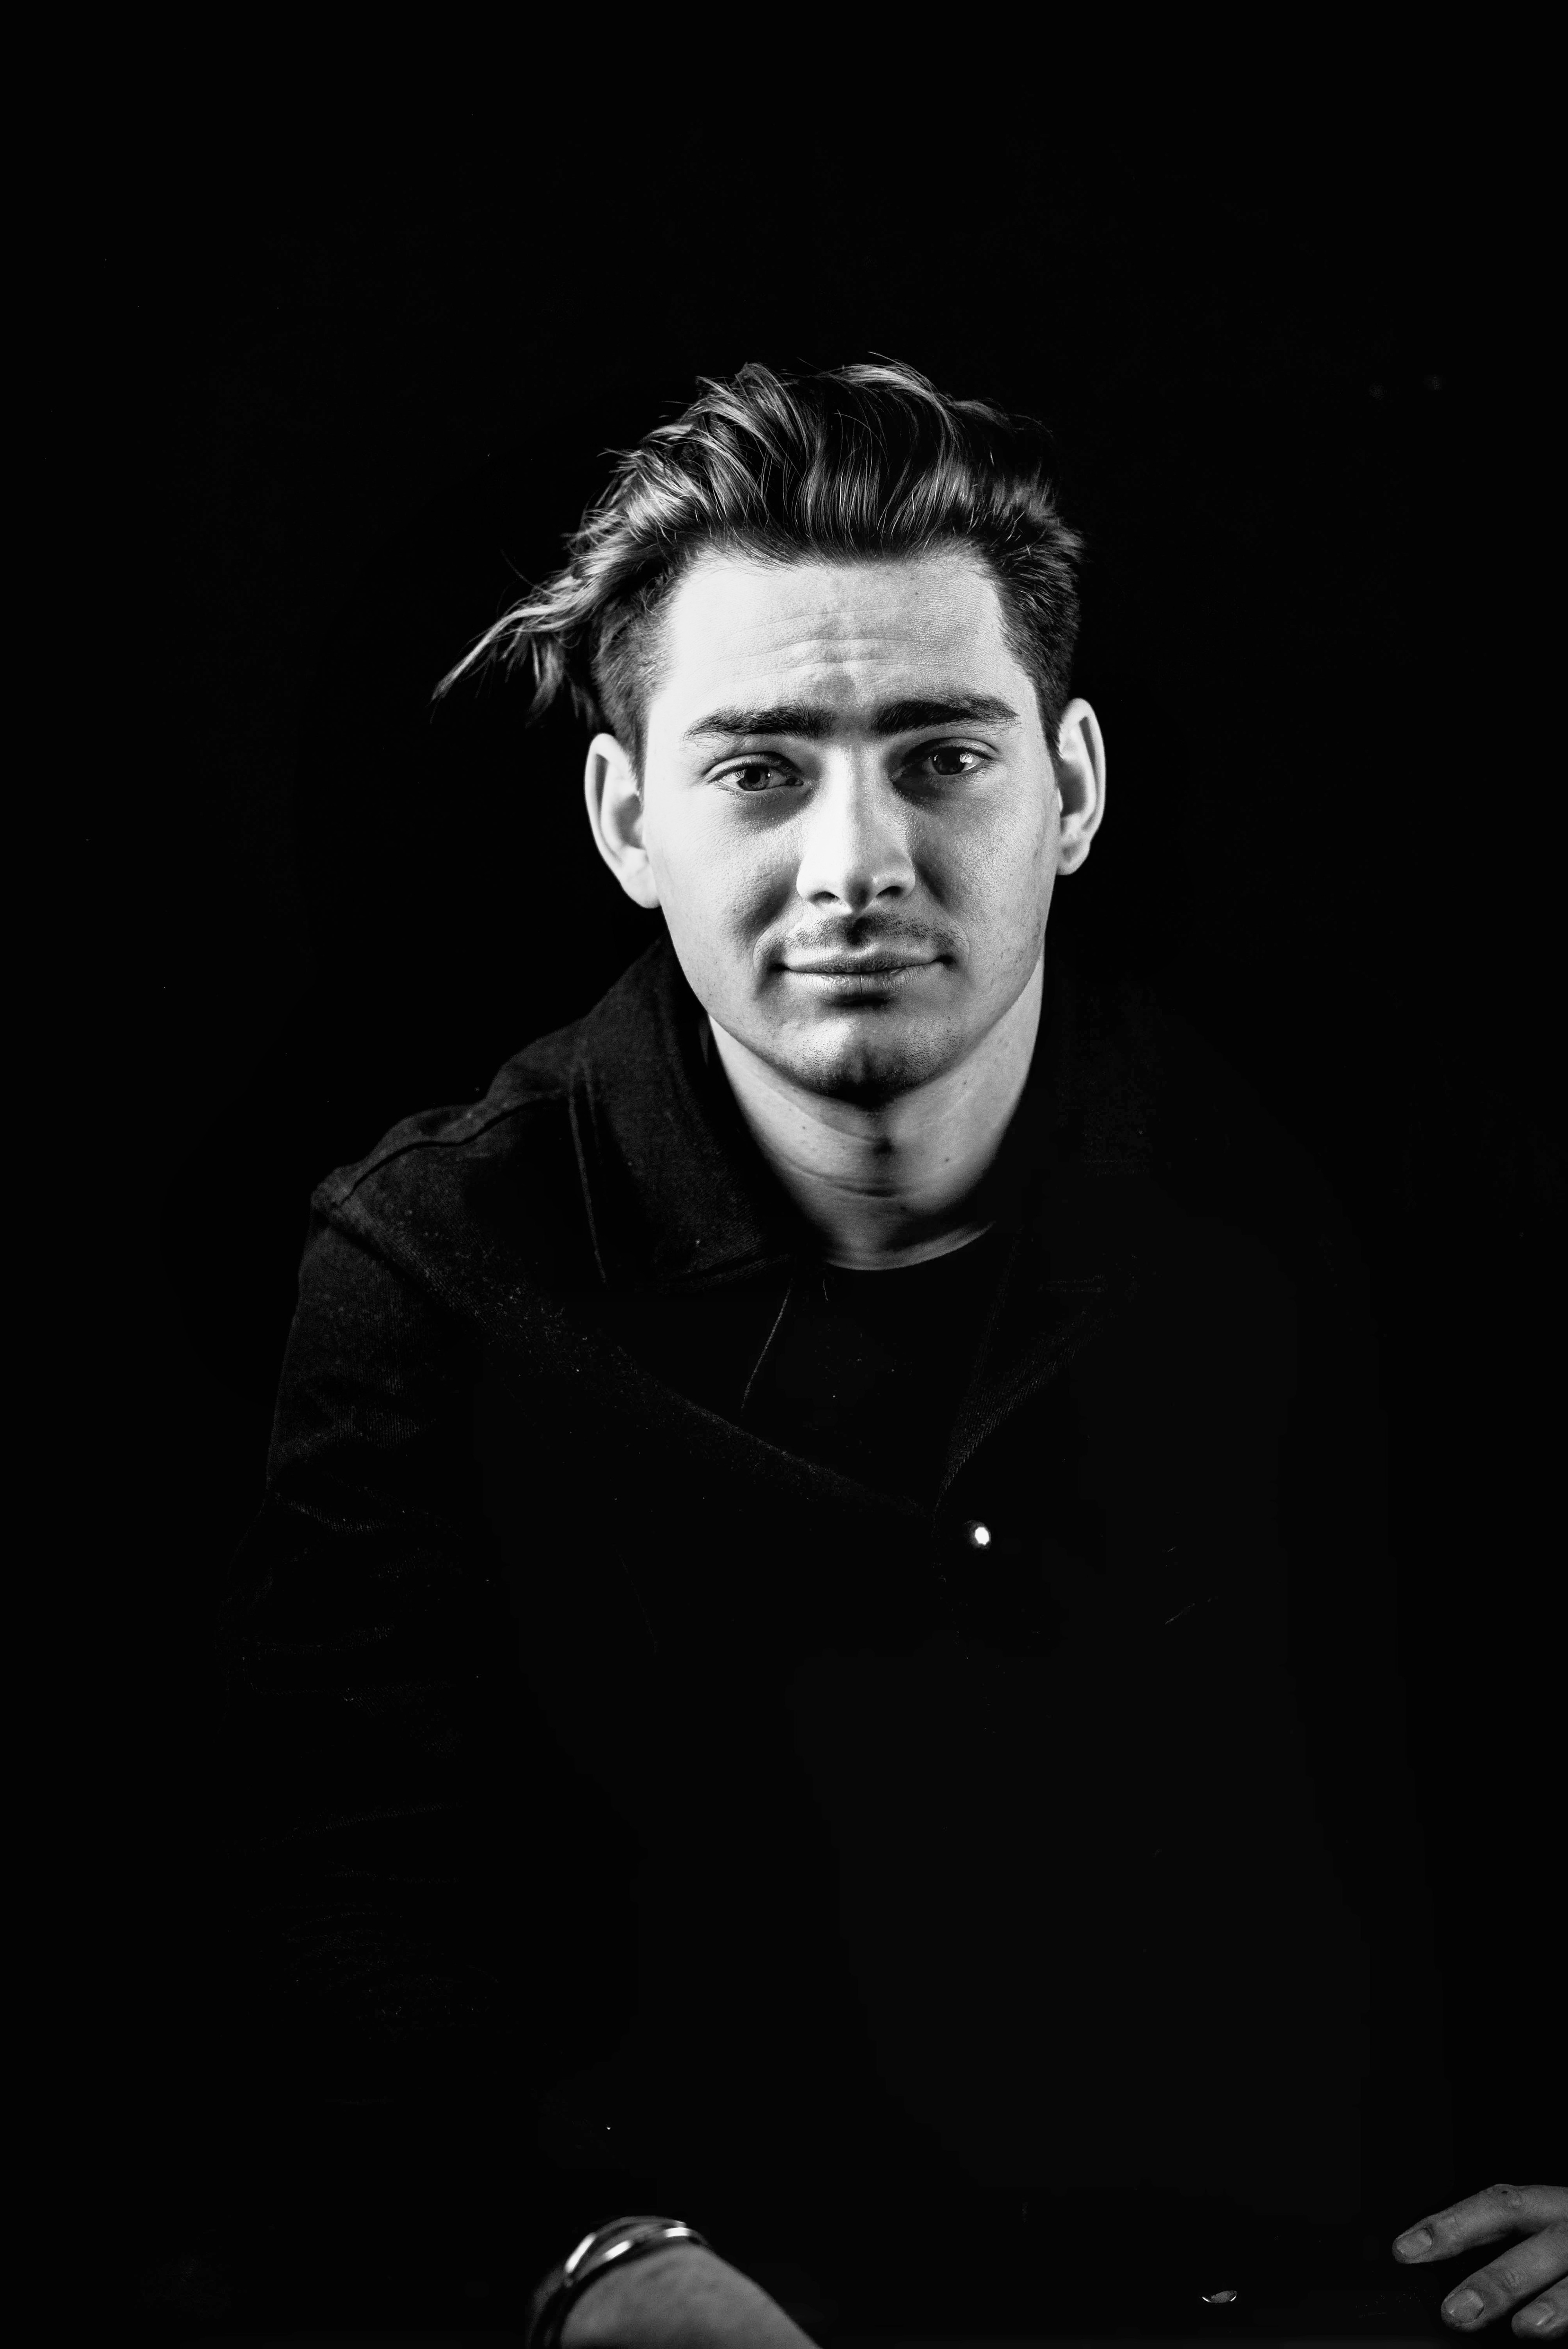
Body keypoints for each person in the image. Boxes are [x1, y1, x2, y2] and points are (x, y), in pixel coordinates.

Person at [219, 361, 1565, 2343]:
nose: (858, 860)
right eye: (760, 770)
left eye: (940, 755)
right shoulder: (430, 1271)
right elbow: (349, 1931)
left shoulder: (1356, 1194)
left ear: (1071, 789)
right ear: (628, 819)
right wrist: (581, 2266)